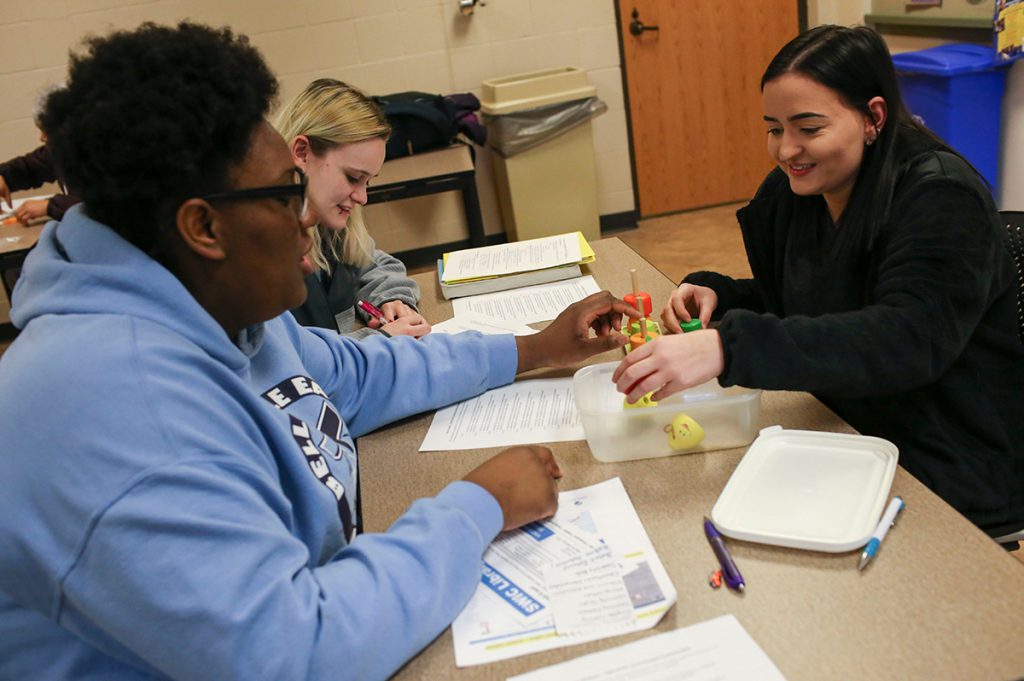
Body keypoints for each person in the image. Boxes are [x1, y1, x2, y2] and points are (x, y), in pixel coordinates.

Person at [0, 22, 637, 680]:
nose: (306, 215)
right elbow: (298, 653)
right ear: (203, 226)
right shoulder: (114, 407)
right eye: (285, 193)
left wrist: (533, 348)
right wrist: (479, 504)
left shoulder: (220, 308)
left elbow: (358, 374)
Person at [613, 25, 1024, 540]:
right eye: (774, 129)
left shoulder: (940, 198)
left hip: (946, 456)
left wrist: (726, 347)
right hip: (847, 422)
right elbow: (812, 304)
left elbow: (907, 338)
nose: (787, 150)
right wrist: (721, 296)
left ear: (873, 117)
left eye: (808, 128)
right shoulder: (799, 192)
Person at [274, 79, 430, 339]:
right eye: (353, 177)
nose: (362, 198)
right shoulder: (260, 252)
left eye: (367, 181)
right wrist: (381, 340)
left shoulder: (327, 224)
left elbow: (371, 262)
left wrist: (392, 300)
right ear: (302, 153)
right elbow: (298, 356)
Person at [0, 126, 79, 224]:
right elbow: (30, 167)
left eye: (48, 130)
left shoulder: (94, 153)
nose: (42, 138)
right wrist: (3, 176)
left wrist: (49, 206)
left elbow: (94, 207)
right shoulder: (61, 151)